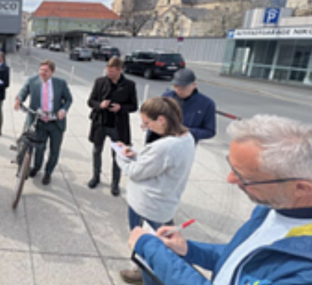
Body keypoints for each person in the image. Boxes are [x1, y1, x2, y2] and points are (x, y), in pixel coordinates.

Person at [127, 115, 312, 285]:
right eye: (231, 166)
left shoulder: (304, 273)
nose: (230, 179)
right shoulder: (274, 206)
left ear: (301, 188)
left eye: (243, 176)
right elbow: (240, 256)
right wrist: (189, 249)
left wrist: (151, 249)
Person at [117, 97, 196, 283]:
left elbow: (135, 171)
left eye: (147, 122)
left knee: (146, 245)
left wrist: (120, 155)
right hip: (165, 203)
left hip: (147, 205)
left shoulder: (165, 146)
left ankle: (144, 275)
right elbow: (158, 163)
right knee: (163, 244)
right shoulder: (187, 138)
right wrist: (136, 153)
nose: (146, 127)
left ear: (161, 119)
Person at [14, 59, 73, 185]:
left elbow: (68, 99)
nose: (43, 73)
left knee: (54, 150)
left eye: (46, 71)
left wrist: (63, 110)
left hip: (56, 123)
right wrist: (19, 99)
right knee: (39, 148)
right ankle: (37, 167)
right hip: (39, 121)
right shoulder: (32, 81)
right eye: (41, 70)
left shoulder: (60, 83)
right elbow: (23, 91)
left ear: (52, 72)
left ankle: (48, 172)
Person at [87, 57, 138, 194]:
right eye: (107, 70)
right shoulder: (100, 82)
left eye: (112, 71)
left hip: (118, 126)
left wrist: (121, 107)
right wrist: (100, 105)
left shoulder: (129, 85)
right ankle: (95, 176)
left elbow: (134, 106)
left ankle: (115, 183)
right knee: (96, 151)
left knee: (117, 155)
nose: (108, 73)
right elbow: (90, 101)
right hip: (100, 123)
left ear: (120, 70)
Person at [147, 68, 216, 145]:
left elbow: (210, 131)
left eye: (183, 88)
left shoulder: (207, 104)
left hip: (184, 146)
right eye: (175, 86)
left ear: (193, 85)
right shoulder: (167, 96)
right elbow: (154, 118)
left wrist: (186, 131)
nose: (178, 90)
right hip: (161, 141)